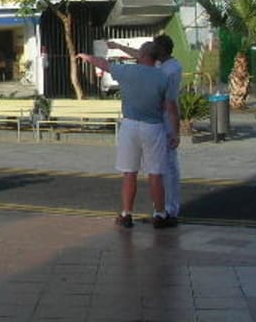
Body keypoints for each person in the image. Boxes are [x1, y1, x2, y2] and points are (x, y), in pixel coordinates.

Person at [77, 41, 179, 229]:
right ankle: (160, 214)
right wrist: (175, 133)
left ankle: (126, 214)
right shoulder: (163, 77)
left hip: (130, 125)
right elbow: (171, 109)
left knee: (129, 173)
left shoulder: (128, 71)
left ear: (142, 55)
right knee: (155, 174)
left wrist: (86, 57)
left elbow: (103, 64)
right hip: (153, 127)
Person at [109, 35, 183, 225]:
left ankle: (169, 210)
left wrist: (175, 131)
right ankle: (161, 211)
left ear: (161, 51)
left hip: (161, 120)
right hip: (157, 120)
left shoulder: (170, 70)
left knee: (164, 169)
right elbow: (141, 55)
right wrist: (118, 46)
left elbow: (171, 105)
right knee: (158, 170)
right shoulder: (162, 66)